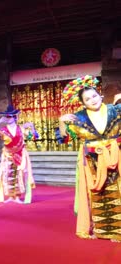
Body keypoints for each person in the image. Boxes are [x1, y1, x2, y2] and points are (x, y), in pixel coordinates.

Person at [58, 75, 121, 242]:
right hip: (92, 162)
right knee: (98, 195)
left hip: (116, 158)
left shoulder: (115, 110)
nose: (92, 100)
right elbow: (64, 139)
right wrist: (62, 122)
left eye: (94, 95)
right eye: (87, 99)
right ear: (83, 103)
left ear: (99, 94)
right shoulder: (78, 117)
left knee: (118, 192)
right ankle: (103, 231)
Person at [0, 105, 36, 204]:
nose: (7, 118)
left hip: (20, 155)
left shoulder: (21, 128)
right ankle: (11, 196)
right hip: (8, 156)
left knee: (19, 176)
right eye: (6, 116)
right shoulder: (3, 131)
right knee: (8, 176)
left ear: (14, 117)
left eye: (9, 116)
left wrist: (32, 127)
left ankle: (17, 197)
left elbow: (34, 136)